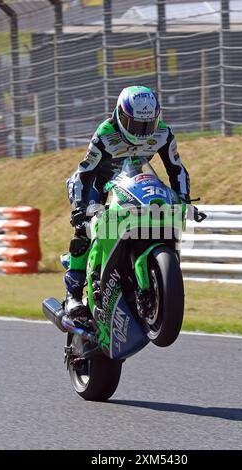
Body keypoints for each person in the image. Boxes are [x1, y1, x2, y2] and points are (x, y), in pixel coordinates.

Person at [64, 85, 190, 318]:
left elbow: (176, 169)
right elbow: (85, 173)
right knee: (83, 231)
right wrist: (80, 209)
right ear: (121, 116)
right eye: (136, 125)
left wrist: (183, 198)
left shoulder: (163, 133)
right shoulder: (105, 133)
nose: (142, 132)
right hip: (97, 184)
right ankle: (72, 295)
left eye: (148, 125)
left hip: (134, 178)